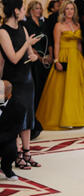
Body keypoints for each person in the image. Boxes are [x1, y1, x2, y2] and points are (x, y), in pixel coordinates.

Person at [36, 1, 84, 130]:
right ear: (63, 11)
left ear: (74, 11)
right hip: (64, 56)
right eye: (67, 9)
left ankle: (79, 118)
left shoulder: (78, 25)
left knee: (78, 89)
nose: (70, 11)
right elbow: (57, 43)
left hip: (77, 58)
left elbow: (79, 44)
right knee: (62, 90)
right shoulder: (58, 25)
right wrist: (56, 60)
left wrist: (82, 59)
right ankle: (64, 119)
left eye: (72, 9)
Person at [0, 0, 42, 169]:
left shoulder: (23, 29)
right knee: (17, 118)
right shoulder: (3, 32)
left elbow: (30, 54)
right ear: (16, 11)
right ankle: (16, 155)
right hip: (14, 80)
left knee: (29, 116)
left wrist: (34, 56)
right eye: (23, 8)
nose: (25, 11)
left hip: (27, 79)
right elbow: (14, 58)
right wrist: (27, 44)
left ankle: (27, 152)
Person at [24, 1, 52, 139]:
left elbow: (49, 40)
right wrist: (40, 58)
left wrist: (49, 56)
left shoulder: (44, 23)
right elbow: (29, 44)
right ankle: (33, 121)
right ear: (30, 10)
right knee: (35, 89)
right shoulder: (26, 24)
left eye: (40, 8)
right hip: (34, 60)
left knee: (43, 90)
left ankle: (40, 118)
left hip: (45, 60)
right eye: (36, 8)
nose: (39, 10)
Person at [0, 79, 26, 180]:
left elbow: (14, 131)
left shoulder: (19, 107)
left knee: (11, 151)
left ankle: (6, 168)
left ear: (8, 95)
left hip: (5, 138)